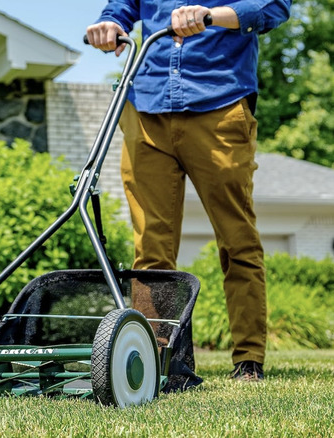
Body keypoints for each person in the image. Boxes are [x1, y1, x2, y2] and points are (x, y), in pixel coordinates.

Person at [86, 1, 291, 381]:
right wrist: (109, 23)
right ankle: (156, 362)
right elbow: (124, 6)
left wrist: (211, 15)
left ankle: (248, 359)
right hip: (146, 107)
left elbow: (271, 6)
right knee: (150, 247)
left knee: (236, 238)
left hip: (220, 104)